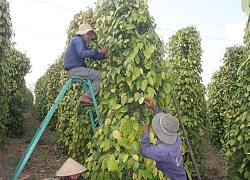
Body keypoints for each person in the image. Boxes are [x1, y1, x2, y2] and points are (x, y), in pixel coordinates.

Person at [141, 97, 187, 180]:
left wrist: (145, 134)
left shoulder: (162, 150)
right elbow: (166, 124)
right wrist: (154, 108)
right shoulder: (177, 138)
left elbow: (145, 150)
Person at [64, 24, 108, 105]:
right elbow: (82, 54)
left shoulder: (80, 42)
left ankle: (87, 96)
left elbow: (93, 55)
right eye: (88, 34)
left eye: (90, 35)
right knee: (100, 76)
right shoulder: (77, 40)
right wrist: (99, 51)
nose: (89, 36)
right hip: (75, 69)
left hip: (75, 70)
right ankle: (86, 96)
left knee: (95, 76)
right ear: (82, 33)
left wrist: (104, 56)